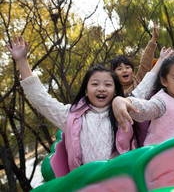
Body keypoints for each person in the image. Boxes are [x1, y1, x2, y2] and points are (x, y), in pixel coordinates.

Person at [6, 36, 136, 173]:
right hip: (87, 183)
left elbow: (152, 103)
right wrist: (21, 61)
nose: (101, 88)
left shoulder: (124, 109)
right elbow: (41, 100)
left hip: (122, 178)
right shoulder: (72, 117)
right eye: (95, 84)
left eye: (108, 84)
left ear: (115, 90)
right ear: (86, 90)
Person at [111, 20, 159, 96]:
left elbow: (145, 63)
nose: (124, 71)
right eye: (119, 69)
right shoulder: (112, 91)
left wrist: (153, 39)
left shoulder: (139, 81)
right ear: (114, 74)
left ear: (133, 72)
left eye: (127, 67)